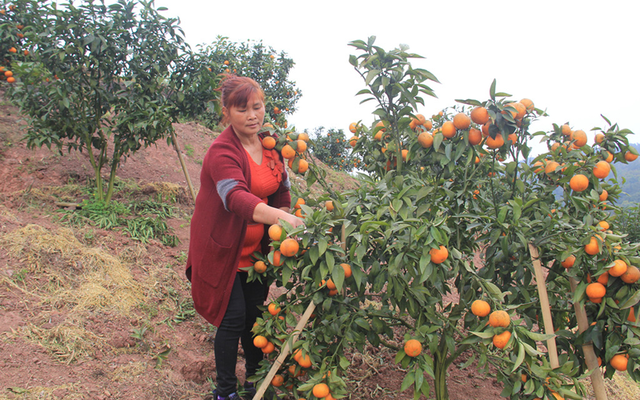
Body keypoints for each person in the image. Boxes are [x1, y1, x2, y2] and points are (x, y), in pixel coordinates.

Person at [185, 75, 304, 400]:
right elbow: (236, 198)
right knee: (233, 317)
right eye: (242, 109)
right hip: (221, 249)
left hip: (257, 254)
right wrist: (286, 219)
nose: (252, 115)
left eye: (257, 107)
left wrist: (280, 230)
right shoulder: (221, 152)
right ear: (226, 113)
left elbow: (282, 190)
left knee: (256, 317)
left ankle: (255, 381)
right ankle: (224, 391)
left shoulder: (271, 145)